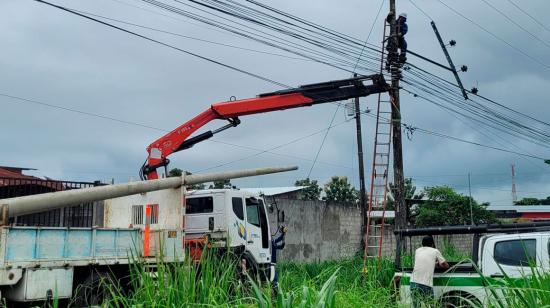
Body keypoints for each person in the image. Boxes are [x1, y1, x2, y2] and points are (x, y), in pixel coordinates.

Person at [410, 235, 449, 307]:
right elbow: (446, 265)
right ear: (432, 244)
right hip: (426, 284)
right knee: (430, 305)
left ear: (422, 244)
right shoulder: (435, 251)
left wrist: (434, 264)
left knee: (416, 306)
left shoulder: (417, 250)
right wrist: (438, 265)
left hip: (413, 282)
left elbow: (423, 262)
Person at [271, 225, 287, 292]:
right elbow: (280, 239)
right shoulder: (271, 243)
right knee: (275, 280)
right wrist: (283, 233)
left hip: (272, 264)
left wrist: (283, 234)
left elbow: (281, 246)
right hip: (271, 264)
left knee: (274, 280)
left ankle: (274, 293)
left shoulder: (273, 243)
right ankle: (276, 294)